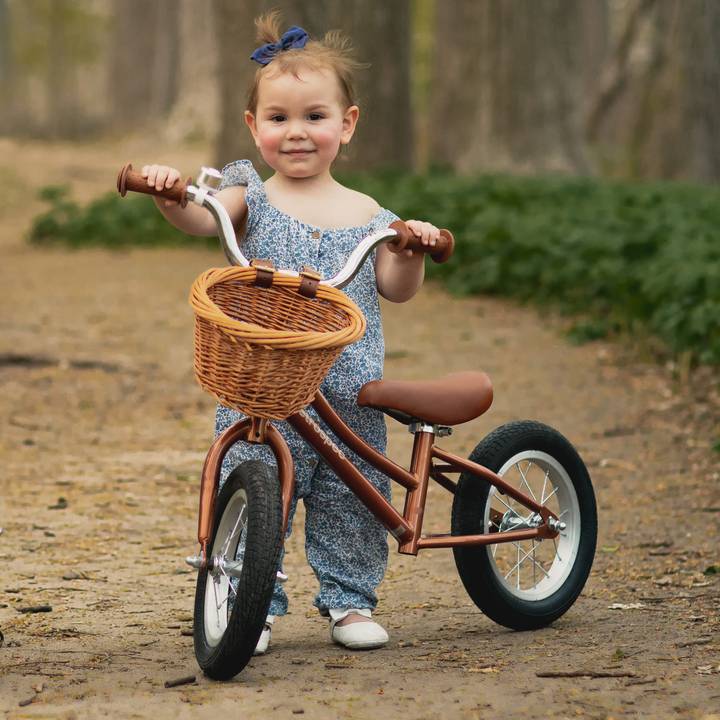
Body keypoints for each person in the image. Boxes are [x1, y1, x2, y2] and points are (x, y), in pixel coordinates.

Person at [142, 11, 440, 655]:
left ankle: (351, 600)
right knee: (250, 486)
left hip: (350, 390)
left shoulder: (370, 214)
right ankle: (254, 603)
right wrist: (172, 196)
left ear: (347, 124)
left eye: (314, 117)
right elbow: (204, 218)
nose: (297, 133)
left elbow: (394, 284)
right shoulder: (251, 194)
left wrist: (411, 248)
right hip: (262, 385)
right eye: (278, 119)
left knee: (351, 497)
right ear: (254, 128)